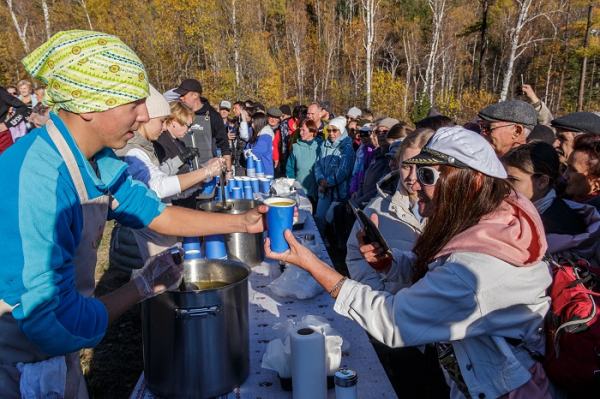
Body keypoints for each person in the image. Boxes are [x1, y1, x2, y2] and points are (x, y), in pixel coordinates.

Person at [0, 30, 268, 399]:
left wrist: (242, 221)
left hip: (58, 354)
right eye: (133, 103)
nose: (144, 115)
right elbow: (53, 322)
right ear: (88, 105)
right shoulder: (37, 179)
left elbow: (155, 213)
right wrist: (140, 288)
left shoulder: (99, 160)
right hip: (19, 364)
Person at [266, 126, 552, 399]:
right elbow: (440, 271)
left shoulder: (476, 271)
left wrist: (313, 265)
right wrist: (389, 264)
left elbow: (392, 320)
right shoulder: (497, 220)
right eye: (411, 169)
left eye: (427, 175)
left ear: (471, 183)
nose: (415, 183)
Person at [115, 85, 226, 261]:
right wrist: (206, 171)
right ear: (147, 118)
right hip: (148, 229)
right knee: (158, 277)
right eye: (162, 121)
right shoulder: (132, 151)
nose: (165, 127)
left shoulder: (144, 146)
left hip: (158, 223)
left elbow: (159, 174)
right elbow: (158, 186)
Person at [502, 141, 600, 265]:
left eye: (512, 180)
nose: (504, 186)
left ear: (542, 182)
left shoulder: (561, 226)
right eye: (502, 178)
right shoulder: (518, 209)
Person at [174, 78, 233, 177]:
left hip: (208, 174)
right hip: (183, 175)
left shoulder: (213, 116)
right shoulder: (178, 115)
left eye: (183, 95)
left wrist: (228, 171)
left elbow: (224, 146)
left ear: (195, 95)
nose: (180, 98)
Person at [314, 116, 355, 236]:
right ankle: (320, 241)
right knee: (319, 217)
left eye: (334, 130)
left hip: (339, 191)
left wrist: (327, 182)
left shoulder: (347, 148)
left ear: (341, 131)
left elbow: (344, 170)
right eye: (329, 131)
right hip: (324, 188)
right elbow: (318, 163)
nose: (331, 134)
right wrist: (320, 179)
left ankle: (338, 247)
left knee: (336, 219)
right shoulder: (324, 145)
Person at [286, 119, 323, 211]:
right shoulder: (296, 147)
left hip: (318, 191)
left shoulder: (321, 146)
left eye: (303, 130)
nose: (301, 133)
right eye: (300, 130)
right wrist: (293, 184)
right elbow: (290, 168)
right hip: (301, 191)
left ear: (312, 132)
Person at [563, 133, 600, 210]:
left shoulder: (593, 218)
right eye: (567, 167)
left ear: (597, 184)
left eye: (573, 170)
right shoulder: (558, 199)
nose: (564, 175)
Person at [0, 86, 28, 155]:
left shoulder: (1, 93)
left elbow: (23, 108)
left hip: (2, 138)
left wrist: (8, 124)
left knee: (6, 161)